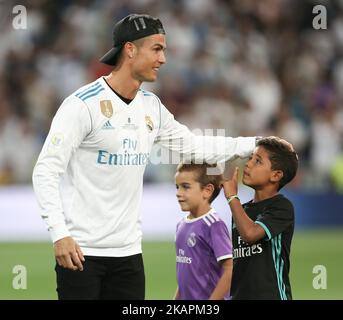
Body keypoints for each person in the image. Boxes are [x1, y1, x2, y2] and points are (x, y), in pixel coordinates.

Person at [32, 13, 258, 300]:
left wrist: (255, 144)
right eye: (157, 48)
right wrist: (59, 234)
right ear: (130, 49)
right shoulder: (82, 105)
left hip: (129, 256)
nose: (163, 59)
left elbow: (193, 146)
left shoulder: (152, 107)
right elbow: (46, 171)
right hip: (81, 253)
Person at [222, 136, 298, 300]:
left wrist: (232, 197)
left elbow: (250, 234)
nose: (248, 164)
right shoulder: (242, 211)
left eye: (258, 161)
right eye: (250, 158)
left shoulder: (281, 207)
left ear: (276, 175)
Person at [174, 162, 232, 300]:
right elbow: (185, 276)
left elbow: (230, 269)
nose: (178, 193)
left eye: (185, 187)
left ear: (207, 190)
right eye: (177, 187)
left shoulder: (213, 224)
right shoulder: (181, 225)